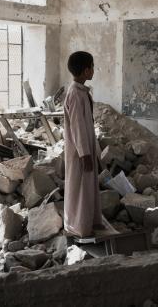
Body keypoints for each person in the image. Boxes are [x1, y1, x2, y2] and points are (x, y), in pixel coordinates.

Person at [63, 51, 103, 237]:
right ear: (86, 70)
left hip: (86, 147)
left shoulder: (81, 91)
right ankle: (79, 226)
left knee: (88, 187)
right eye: (92, 66)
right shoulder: (75, 94)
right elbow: (77, 126)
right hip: (79, 151)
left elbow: (87, 125)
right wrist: (85, 153)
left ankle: (91, 221)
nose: (94, 70)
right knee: (79, 189)